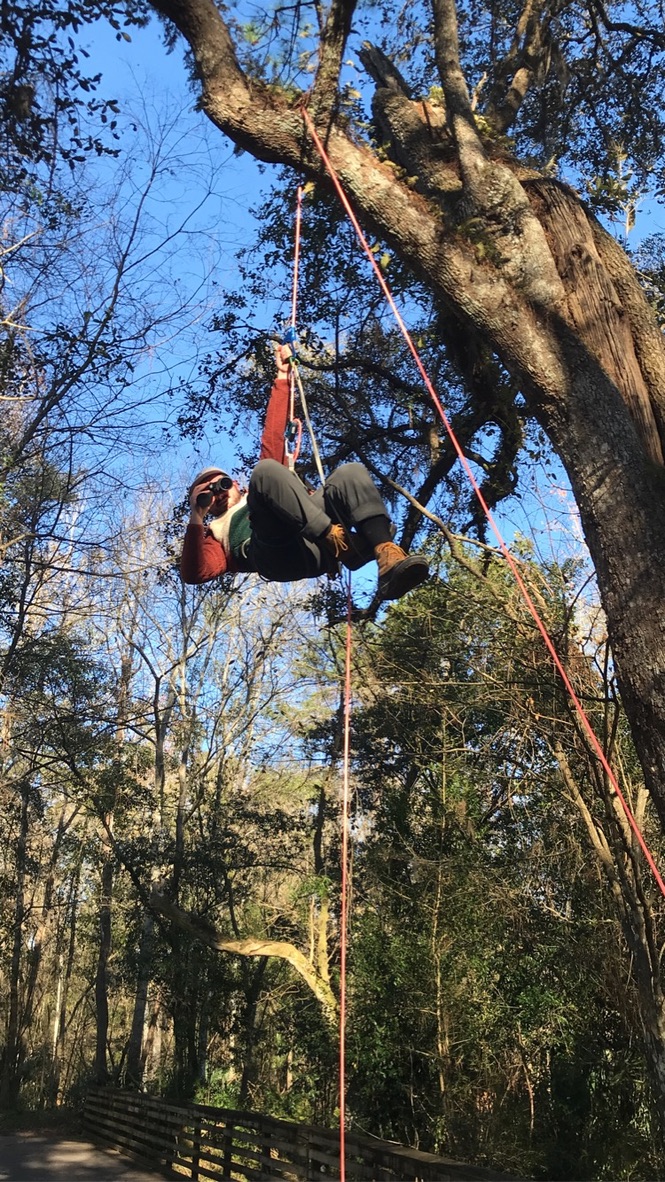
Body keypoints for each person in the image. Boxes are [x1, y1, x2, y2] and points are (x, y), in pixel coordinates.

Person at [180, 344, 429, 600]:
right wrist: (196, 517)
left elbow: (273, 438)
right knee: (265, 471)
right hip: (278, 554)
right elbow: (194, 573)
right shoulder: (215, 535)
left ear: (235, 484)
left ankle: (386, 556)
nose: (217, 492)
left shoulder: (255, 493)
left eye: (222, 484)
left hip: (314, 547)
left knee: (349, 473)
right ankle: (340, 541)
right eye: (207, 493)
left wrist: (282, 378)